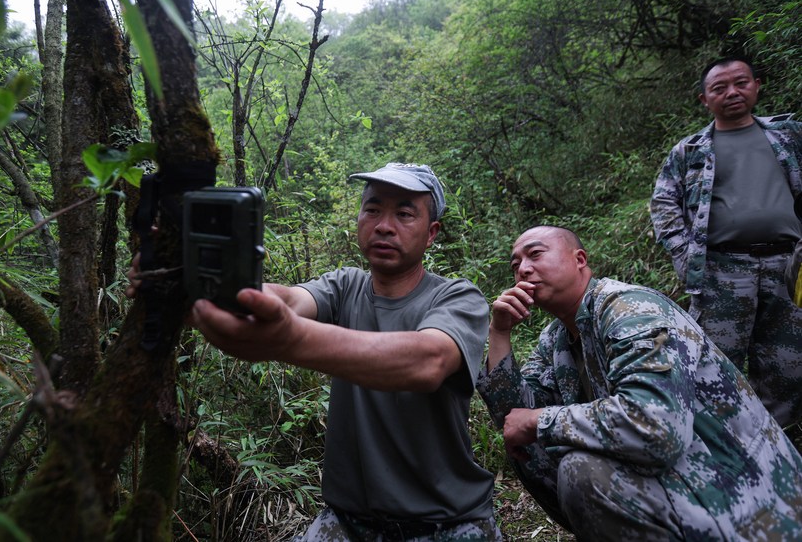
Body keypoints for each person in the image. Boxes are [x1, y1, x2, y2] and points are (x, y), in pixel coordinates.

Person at [183, 163, 503, 540]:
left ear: (431, 233)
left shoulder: (457, 297)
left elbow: (428, 360)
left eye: (404, 214)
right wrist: (204, 285)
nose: (384, 226)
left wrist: (291, 340)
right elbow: (287, 299)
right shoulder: (345, 286)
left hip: (448, 521)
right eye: (373, 209)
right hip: (349, 521)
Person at [476, 225, 802, 541]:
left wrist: (541, 421)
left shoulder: (630, 309)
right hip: (680, 482)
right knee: (529, 443)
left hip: (747, 495)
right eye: (515, 265)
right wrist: (499, 332)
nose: (523, 269)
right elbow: (514, 419)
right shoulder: (556, 338)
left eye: (535, 254)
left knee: (582, 470)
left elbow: (658, 426)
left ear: (579, 260)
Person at [649, 55, 802, 426]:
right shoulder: (690, 151)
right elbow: (663, 203)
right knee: (714, 363)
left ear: (757, 86)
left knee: (787, 364)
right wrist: (684, 255)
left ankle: (778, 443)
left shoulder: (790, 137)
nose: (732, 92)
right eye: (720, 88)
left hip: (789, 267)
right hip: (722, 272)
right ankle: (724, 440)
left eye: (741, 83)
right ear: (705, 99)